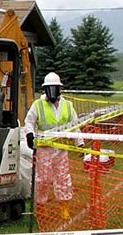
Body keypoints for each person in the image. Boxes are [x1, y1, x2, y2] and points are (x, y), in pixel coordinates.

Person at [23, 72, 82, 221]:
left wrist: (79, 143)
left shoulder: (68, 106)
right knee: (42, 179)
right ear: (45, 89)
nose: (52, 92)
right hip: (44, 149)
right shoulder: (38, 105)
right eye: (50, 88)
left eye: (55, 88)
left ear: (60, 89)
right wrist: (29, 134)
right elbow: (29, 122)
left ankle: (64, 207)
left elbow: (75, 125)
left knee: (63, 178)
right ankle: (41, 206)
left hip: (61, 150)